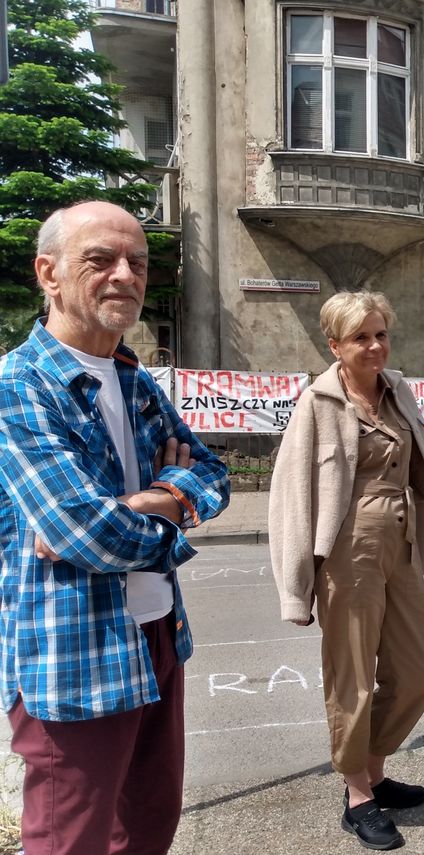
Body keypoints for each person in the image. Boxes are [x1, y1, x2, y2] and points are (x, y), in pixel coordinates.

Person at [0, 201, 230, 855]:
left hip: (158, 638)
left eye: (138, 261)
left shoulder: (134, 381)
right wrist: (171, 508)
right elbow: (81, 530)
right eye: (100, 259)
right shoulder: (22, 385)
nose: (125, 275)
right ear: (49, 272)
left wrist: (157, 500)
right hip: (71, 653)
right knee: (70, 839)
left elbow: (213, 475)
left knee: (151, 823)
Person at [269, 291, 424, 851]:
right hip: (346, 549)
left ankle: (373, 768)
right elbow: (291, 498)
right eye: (361, 338)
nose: (375, 346)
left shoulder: (397, 390)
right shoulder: (319, 403)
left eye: (381, 334)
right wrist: (295, 589)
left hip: (400, 541)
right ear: (335, 346)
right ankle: (357, 797)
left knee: (417, 671)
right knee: (351, 678)